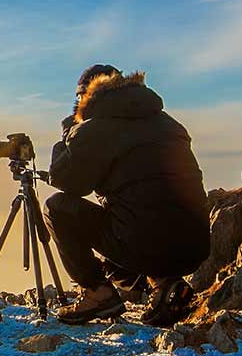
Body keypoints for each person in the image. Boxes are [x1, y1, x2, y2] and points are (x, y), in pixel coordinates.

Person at [43, 64, 210, 326]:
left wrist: (68, 136)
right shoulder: (168, 122)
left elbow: (66, 181)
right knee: (140, 216)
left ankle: (97, 294)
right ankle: (166, 285)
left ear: (85, 97)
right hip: (196, 244)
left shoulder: (97, 127)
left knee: (57, 208)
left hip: (147, 244)